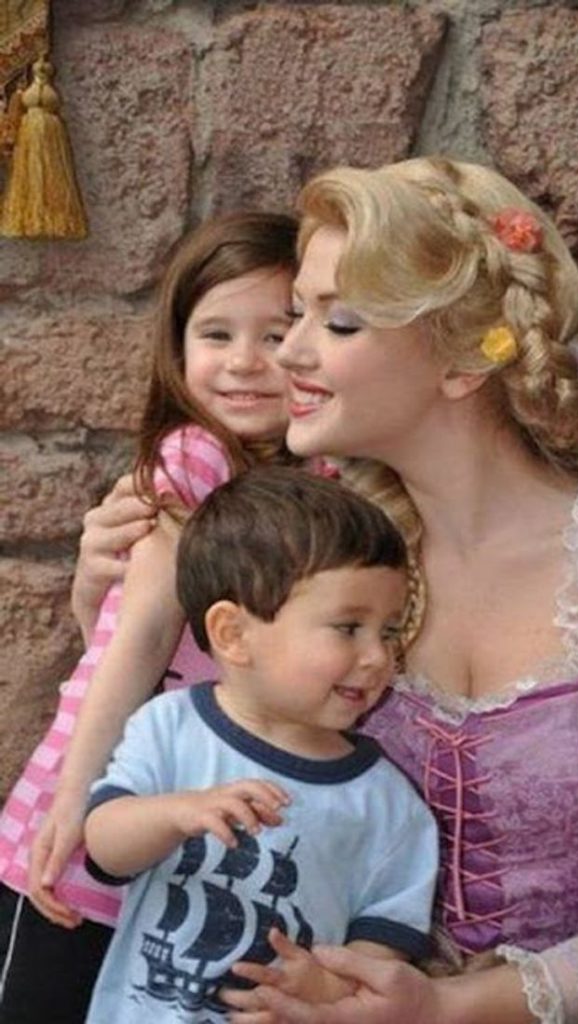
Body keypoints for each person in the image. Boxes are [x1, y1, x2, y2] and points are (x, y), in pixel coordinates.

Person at [71, 156, 578, 1024]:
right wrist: (106, 608)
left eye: (339, 321)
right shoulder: (332, 550)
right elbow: (208, 733)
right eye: (299, 314)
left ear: (463, 361)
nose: (290, 352)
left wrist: (453, 1007)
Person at [0, 211, 298, 1024]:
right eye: (216, 334)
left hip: (181, 832)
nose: (244, 362)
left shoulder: (322, 478)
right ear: (177, 346)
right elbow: (137, 637)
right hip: (90, 807)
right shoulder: (194, 458)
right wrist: (75, 801)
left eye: (276, 336)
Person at [83, 465, 438, 1024]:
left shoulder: (389, 805)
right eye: (349, 628)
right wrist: (178, 813)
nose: (379, 657)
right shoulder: (171, 726)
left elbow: (382, 946)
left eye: (389, 632)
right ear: (233, 634)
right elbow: (104, 846)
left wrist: (328, 985)